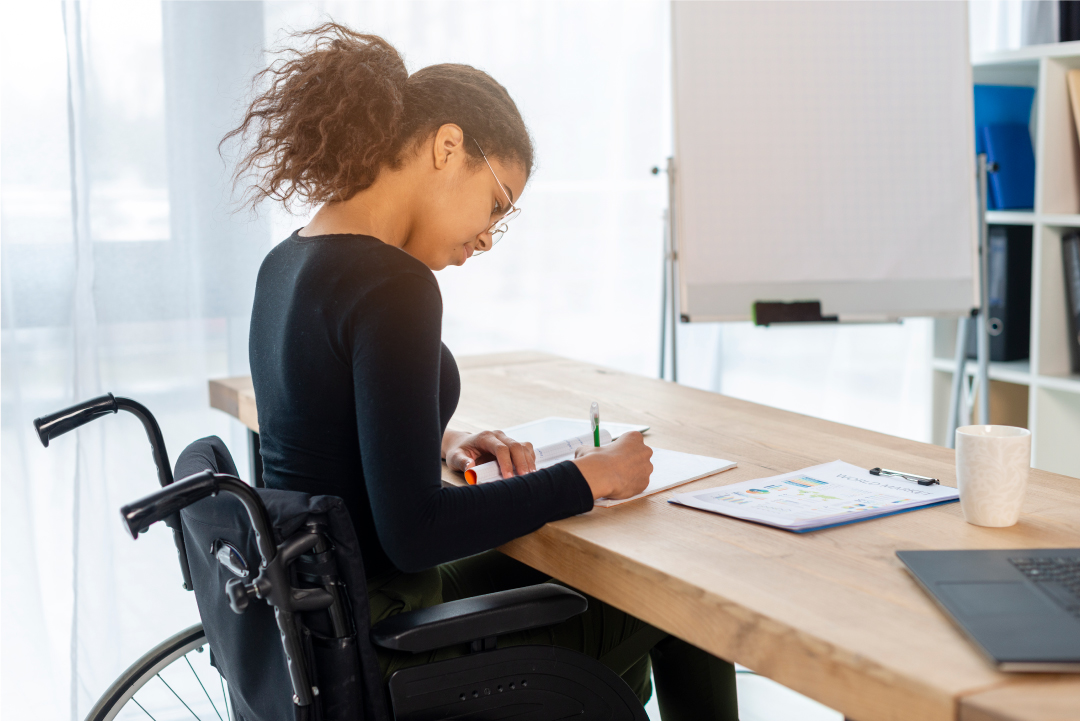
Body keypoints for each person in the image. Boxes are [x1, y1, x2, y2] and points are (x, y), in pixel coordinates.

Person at [227, 22, 738, 721]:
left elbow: (320, 423)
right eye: (496, 203)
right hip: (391, 643)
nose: (487, 237)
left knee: (606, 638)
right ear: (447, 148)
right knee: (685, 592)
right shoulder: (395, 284)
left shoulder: (286, 263)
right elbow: (416, 530)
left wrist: (436, 439)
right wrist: (593, 477)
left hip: (321, 633)